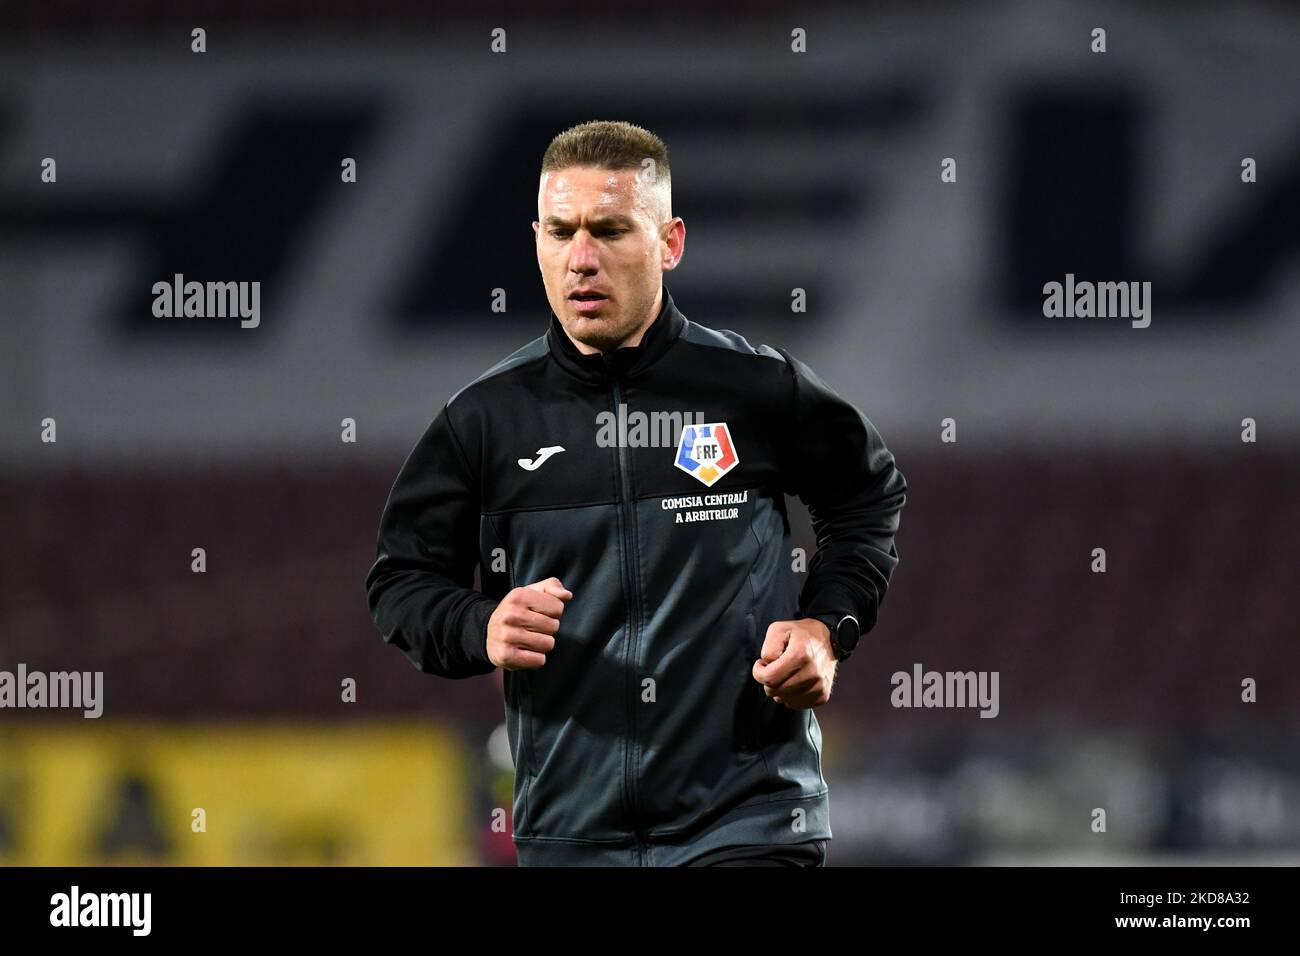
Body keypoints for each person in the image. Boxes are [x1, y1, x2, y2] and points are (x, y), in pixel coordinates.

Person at [366, 120, 906, 866]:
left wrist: (825, 627)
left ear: (670, 242)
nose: (581, 259)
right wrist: (477, 626)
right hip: (572, 837)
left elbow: (866, 499)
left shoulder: (754, 389)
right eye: (561, 232)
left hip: (747, 822)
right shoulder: (483, 421)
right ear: (536, 241)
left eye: (610, 230)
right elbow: (400, 581)